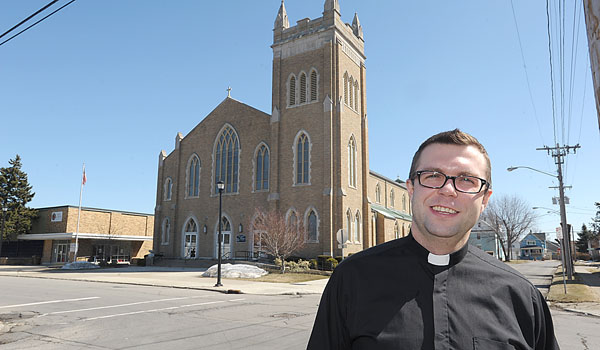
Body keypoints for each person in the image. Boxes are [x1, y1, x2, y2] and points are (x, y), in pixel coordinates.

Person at [307, 129, 559, 349]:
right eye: (433, 175)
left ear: (485, 199)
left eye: (466, 179)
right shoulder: (351, 280)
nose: (447, 189)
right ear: (411, 188)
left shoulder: (522, 297)